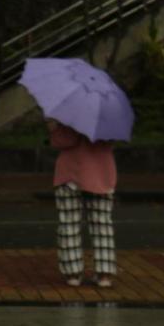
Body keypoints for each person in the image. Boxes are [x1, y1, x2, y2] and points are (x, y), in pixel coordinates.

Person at [48, 119, 117, 288]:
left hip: (71, 172)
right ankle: (104, 274)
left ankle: (73, 273)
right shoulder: (108, 117)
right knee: (102, 225)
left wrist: (53, 127)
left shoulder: (70, 116)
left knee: (69, 224)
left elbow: (63, 141)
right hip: (101, 173)